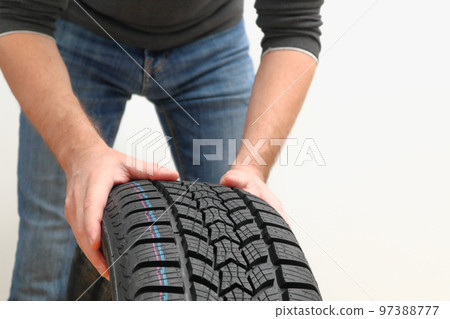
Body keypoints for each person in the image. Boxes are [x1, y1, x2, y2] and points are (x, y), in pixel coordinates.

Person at [0, 0, 323, 300]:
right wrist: (79, 153)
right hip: (82, 34)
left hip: (212, 43)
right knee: (49, 235)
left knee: (237, 230)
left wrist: (252, 165)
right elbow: (18, 13)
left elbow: (292, 27)